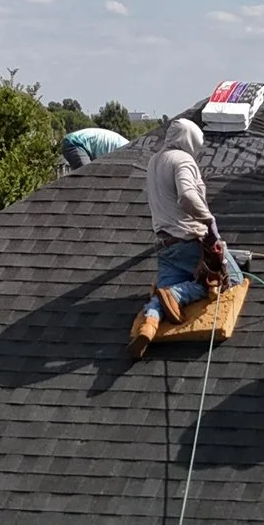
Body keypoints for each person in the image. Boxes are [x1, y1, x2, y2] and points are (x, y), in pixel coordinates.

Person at [131, 118, 241, 357]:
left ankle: (149, 323)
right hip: (190, 244)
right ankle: (176, 295)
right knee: (229, 279)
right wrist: (209, 221)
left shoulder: (154, 161)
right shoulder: (182, 159)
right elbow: (187, 196)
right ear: (189, 140)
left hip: (166, 247)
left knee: (164, 291)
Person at [61, 125, 128, 171]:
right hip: (75, 142)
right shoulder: (126, 151)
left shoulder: (126, 145)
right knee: (87, 175)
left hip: (83, 143)